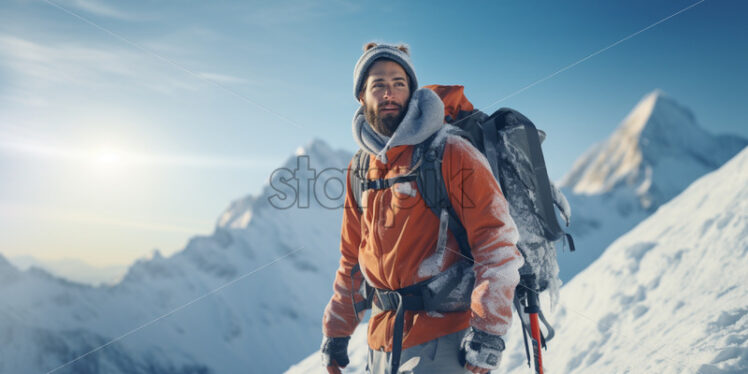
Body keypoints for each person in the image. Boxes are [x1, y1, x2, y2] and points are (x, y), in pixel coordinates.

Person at [320, 42, 525, 374]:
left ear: (412, 91)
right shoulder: (360, 168)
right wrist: (337, 331)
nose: (390, 93)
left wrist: (488, 333)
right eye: (378, 85)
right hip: (381, 345)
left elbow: (497, 241)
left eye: (399, 83)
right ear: (361, 96)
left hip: (444, 339)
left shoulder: (452, 152)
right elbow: (351, 258)